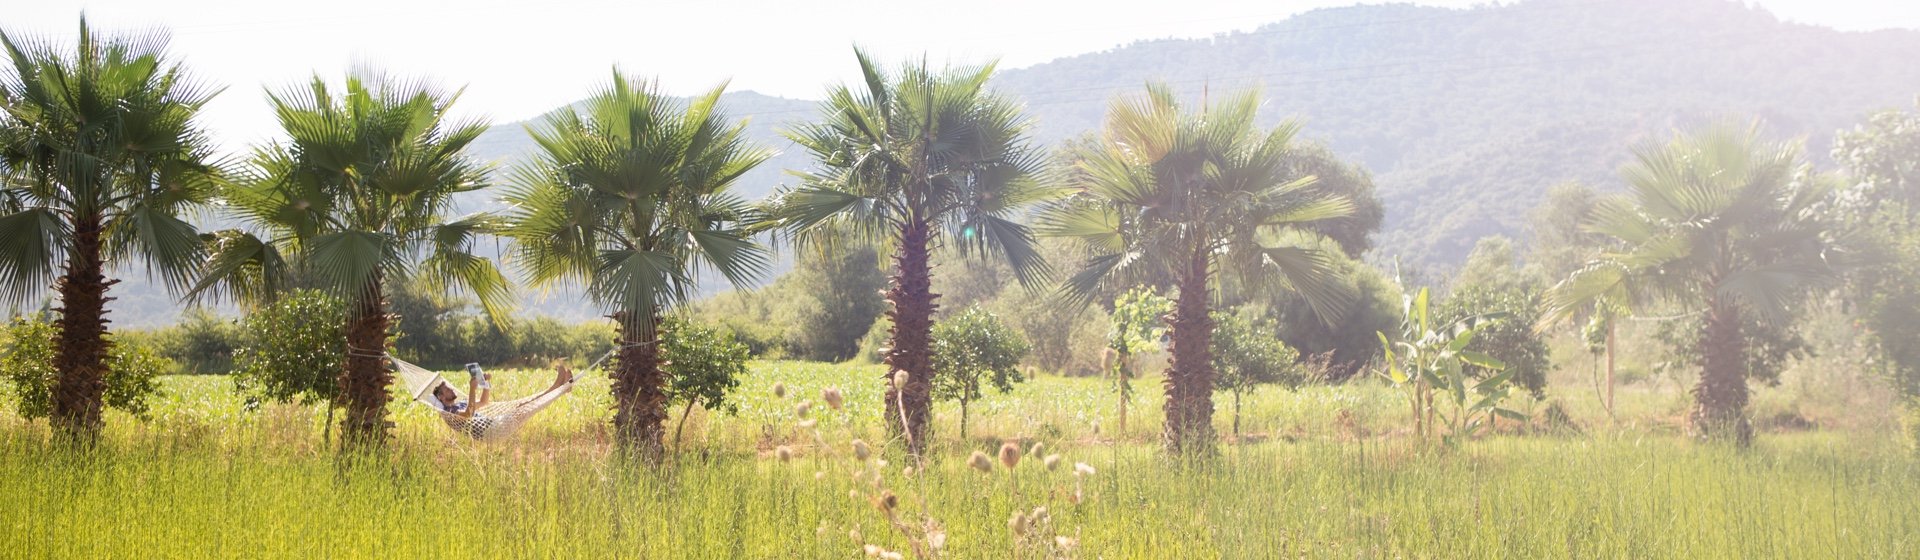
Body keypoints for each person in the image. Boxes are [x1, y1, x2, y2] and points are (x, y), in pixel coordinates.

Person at [431, 363, 574, 418]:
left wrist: (486, 383)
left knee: (525, 404)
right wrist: (471, 389)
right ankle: (560, 387)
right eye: (447, 390)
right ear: (441, 397)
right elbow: (468, 414)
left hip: (493, 423)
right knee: (525, 405)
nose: (451, 390)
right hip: (491, 431)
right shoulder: (449, 413)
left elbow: (484, 402)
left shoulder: (460, 403)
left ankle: (561, 387)